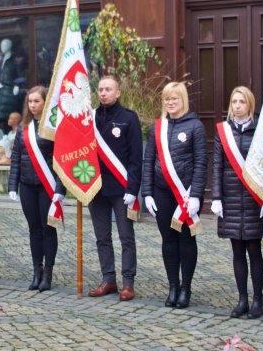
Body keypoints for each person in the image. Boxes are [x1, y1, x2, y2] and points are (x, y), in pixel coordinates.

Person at [141, 81, 208, 309]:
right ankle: (173, 286)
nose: (170, 103)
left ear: (183, 100)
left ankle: (186, 288)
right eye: (167, 99)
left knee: (186, 239)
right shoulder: (157, 127)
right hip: (162, 192)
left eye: (174, 99)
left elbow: (201, 163)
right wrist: (147, 192)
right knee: (168, 240)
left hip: (186, 194)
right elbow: (149, 160)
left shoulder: (196, 127)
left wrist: (197, 195)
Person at [212, 86, 263, 319]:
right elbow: (217, 165)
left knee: (254, 250)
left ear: (250, 105)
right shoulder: (223, 131)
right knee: (237, 249)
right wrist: (216, 197)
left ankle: (258, 300)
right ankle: (242, 299)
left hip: (254, 198)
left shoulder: (261, 129)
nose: (237, 106)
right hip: (231, 197)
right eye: (234, 101)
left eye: (241, 102)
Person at [87, 76, 142, 301]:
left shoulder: (128, 118)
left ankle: (128, 282)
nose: (103, 93)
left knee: (125, 236)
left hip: (121, 189)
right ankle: (108, 279)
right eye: (100, 89)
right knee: (102, 236)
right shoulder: (89, 118)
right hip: (96, 187)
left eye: (108, 89)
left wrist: (132, 188)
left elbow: (136, 158)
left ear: (117, 92)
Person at [8, 86, 65, 291]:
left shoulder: (53, 126)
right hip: (27, 186)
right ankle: (36, 271)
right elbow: (16, 156)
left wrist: (60, 188)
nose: (33, 105)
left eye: (36, 101)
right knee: (34, 230)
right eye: (30, 101)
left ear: (45, 102)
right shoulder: (24, 127)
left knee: (47, 228)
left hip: (47, 186)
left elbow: (61, 158)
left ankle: (48, 273)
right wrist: (12, 184)